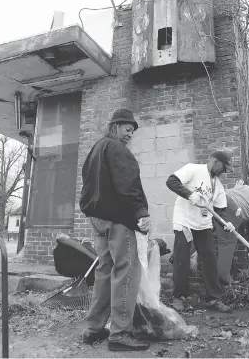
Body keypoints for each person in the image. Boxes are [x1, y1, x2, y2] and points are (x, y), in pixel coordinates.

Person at [79, 108, 151, 352]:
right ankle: (120, 332)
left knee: (105, 269)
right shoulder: (119, 150)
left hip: (98, 217)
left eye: (132, 131)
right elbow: (129, 185)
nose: (130, 134)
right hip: (118, 218)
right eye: (127, 128)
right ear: (116, 126)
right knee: (127, 270)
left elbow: (86, 179)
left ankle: (94, 328)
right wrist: (142, 214)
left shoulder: (96, 148)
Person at [166, 151, 235, 313]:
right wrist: (189, 194)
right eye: (224, 168)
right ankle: (178, 297)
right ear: (215, 162)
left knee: (209, 259)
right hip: (185, 222)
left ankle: (213, 298)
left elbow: (220, 211)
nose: (224, 172)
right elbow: (171, 181)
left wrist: (227, 223)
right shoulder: (193, 169)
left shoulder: (218, 186)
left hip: (203, 224)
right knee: (181, 259)